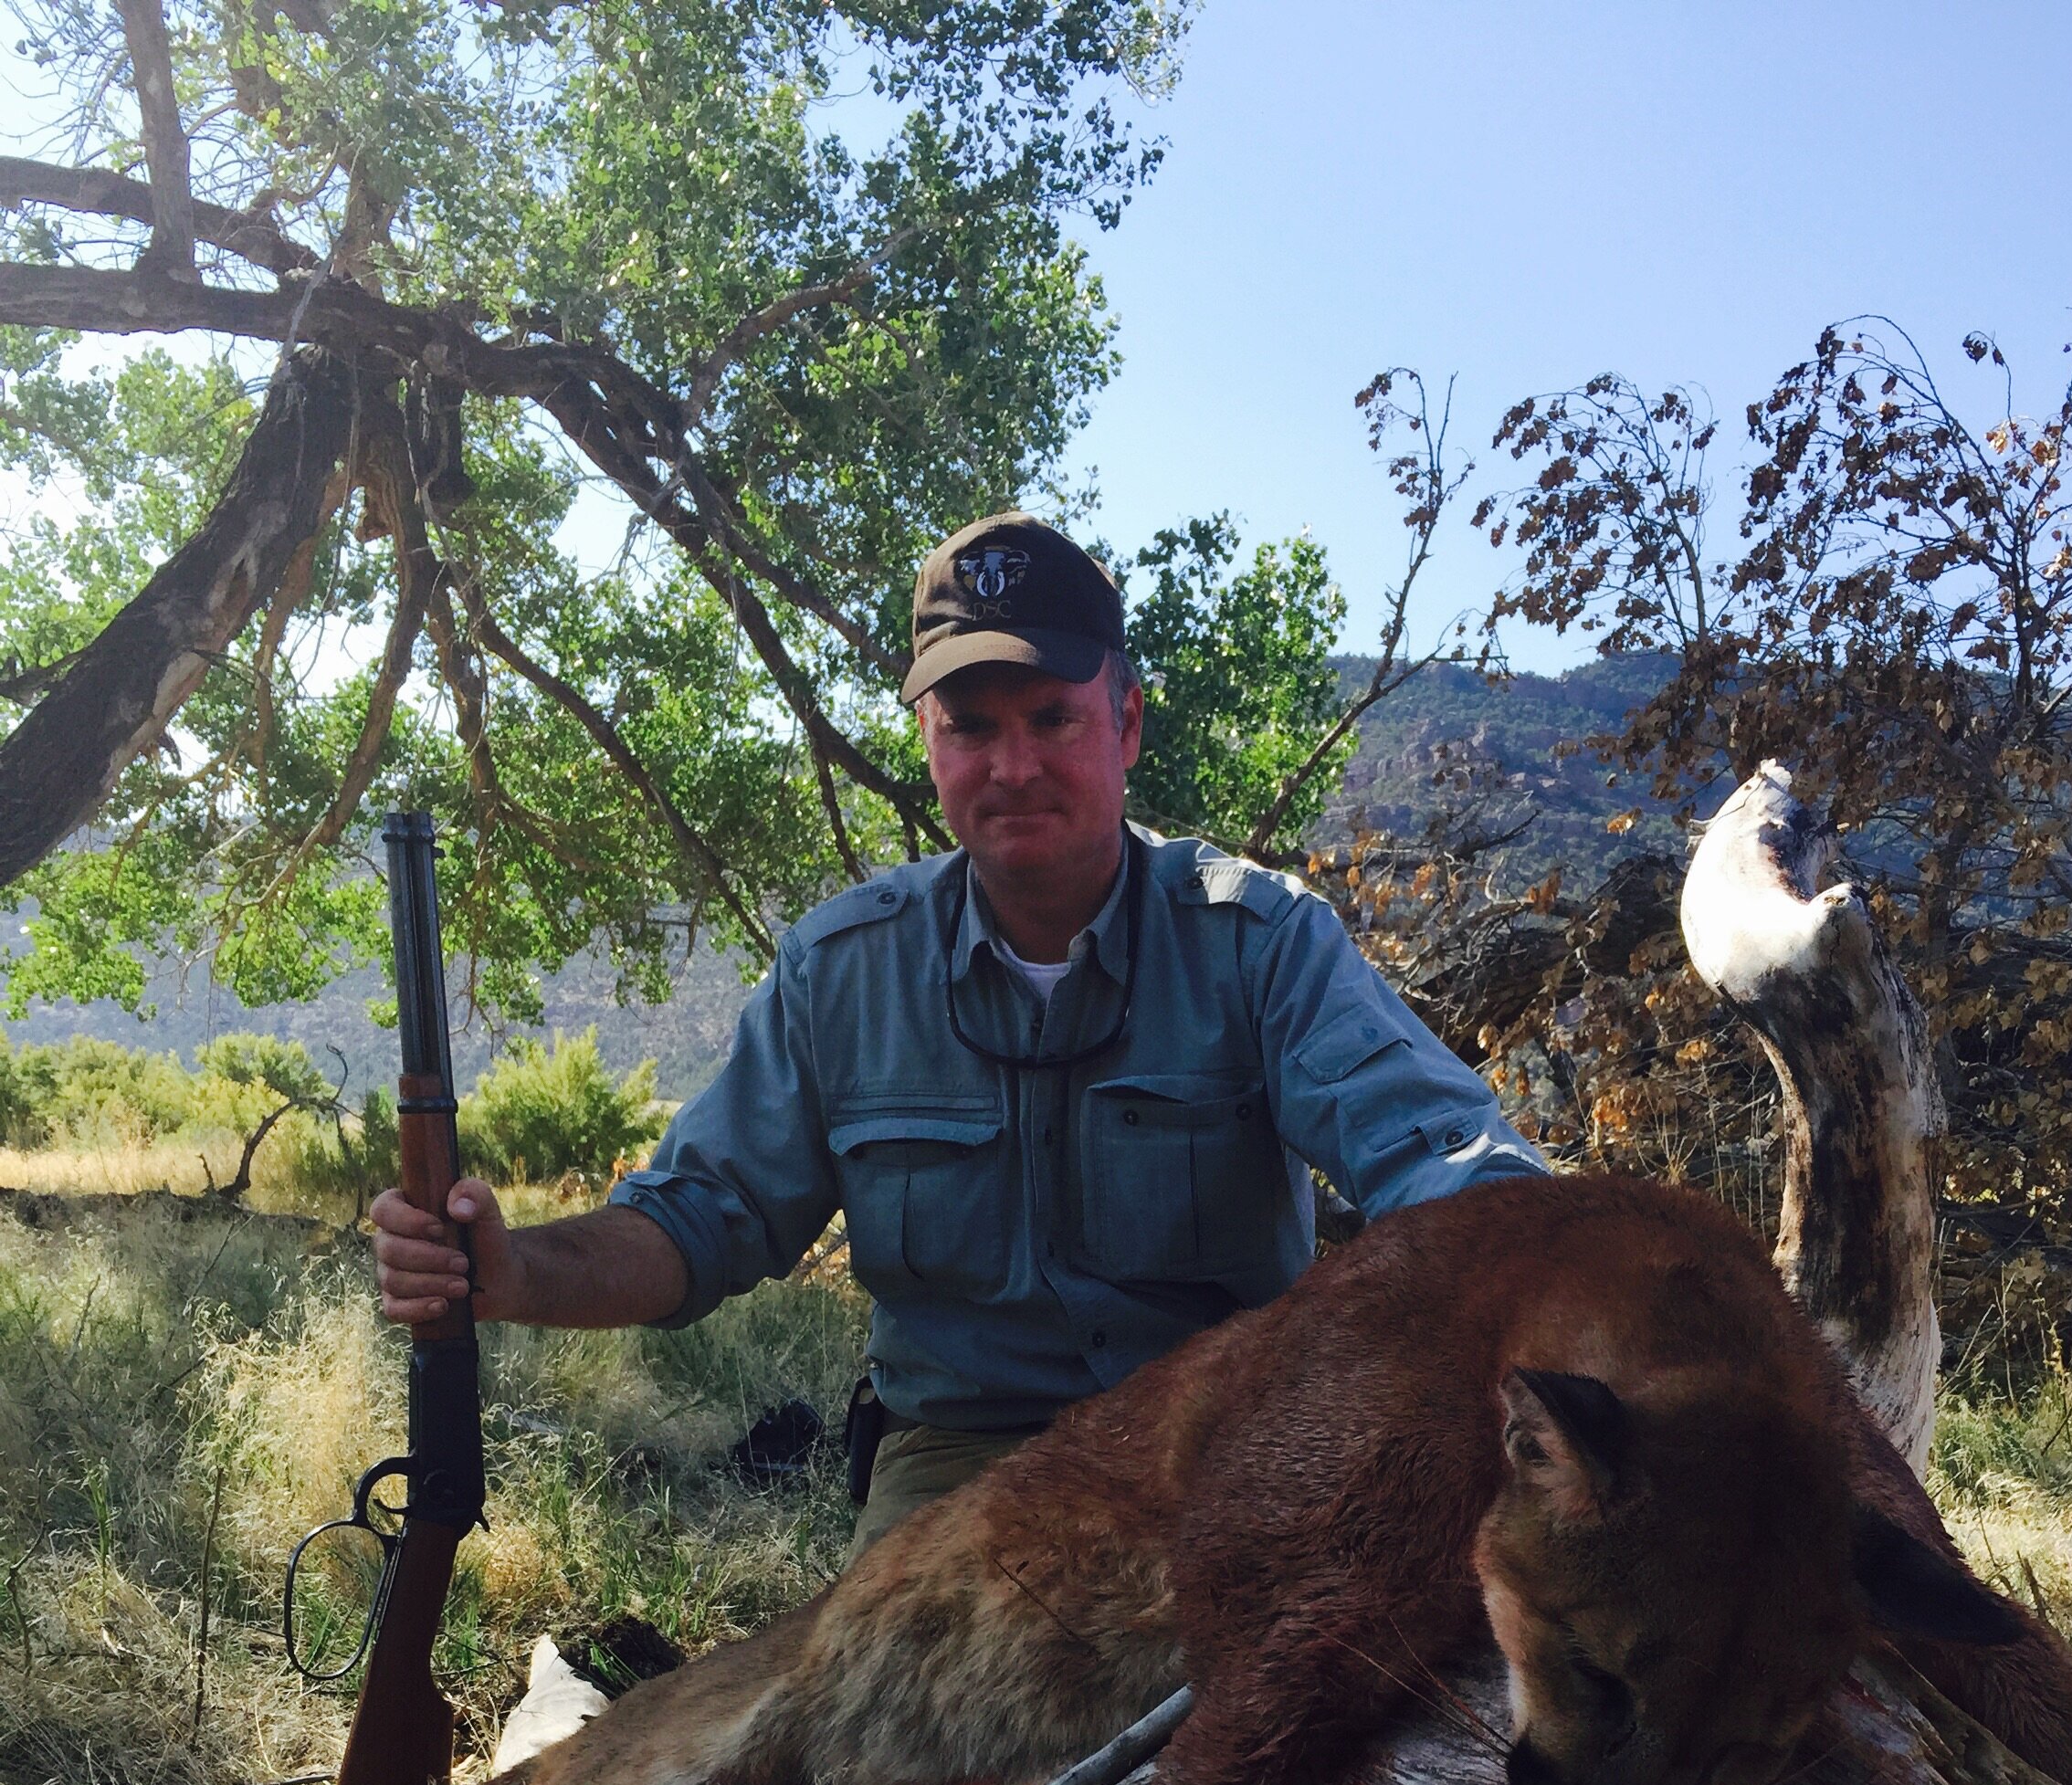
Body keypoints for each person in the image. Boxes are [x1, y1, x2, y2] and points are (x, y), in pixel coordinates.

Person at [372, 511, 1547, 1554]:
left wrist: (1568, 1312)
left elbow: (1446, 1168)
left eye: (1053, 718)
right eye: (971, 726)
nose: (1014, 765)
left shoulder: (1261, 942)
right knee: (888, 1768)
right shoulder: (840, 971)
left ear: (1127, 724)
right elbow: (700, 1220)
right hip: (954, 1468)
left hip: (1234, 1440)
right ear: (926, 742)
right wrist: (513, 1269)